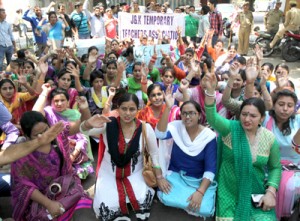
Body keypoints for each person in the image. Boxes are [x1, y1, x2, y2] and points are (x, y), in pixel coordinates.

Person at [203, 71, 281, 220]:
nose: (247, 119)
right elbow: (212, 117)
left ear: (262, 118)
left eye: (253, 116)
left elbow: (275, 167)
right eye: (244, 114)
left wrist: (270, 192)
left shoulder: (269, 138)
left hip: (254, 192)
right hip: (228, 192)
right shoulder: (230, 129)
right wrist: (211, 91)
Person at [80, 93, 163, 220]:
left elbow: (154, 153)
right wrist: (86, 112)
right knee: (107, 205)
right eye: (124, 109)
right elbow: (85, 131)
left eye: (132, 109)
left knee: (141, 200)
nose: (127, 113)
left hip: (135, 173)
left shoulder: (145, 128)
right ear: (117, 108)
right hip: (109, 174)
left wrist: (159, 177)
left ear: (138, 110)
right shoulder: (108, 124)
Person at [11, 111, 92, 221]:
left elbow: (81, 126)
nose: (44, 135)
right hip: (41, 201)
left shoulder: (57, 134)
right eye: (37, 135)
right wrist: (49, 203)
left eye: (45, 130)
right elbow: (24, 187)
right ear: (26, 136)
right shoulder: (21, 156)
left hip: (65, 189)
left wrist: (85, 109)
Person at [155, 96, 217, 216]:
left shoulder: (208, 136)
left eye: (192, 113)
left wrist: (200, 192)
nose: (187, 116)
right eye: (184, 113)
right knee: (165, 196)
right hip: (175, 176)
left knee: (204, 208)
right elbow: (160, 134)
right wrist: (168, 108)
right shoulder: (176, 127)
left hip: (197, 181)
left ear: (199, 115)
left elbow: (210, 169)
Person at [33, 86, 93, 179]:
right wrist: (45, 91)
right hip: (56, 148)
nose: (59, 103)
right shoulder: (49, 111)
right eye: (56, 101)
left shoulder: (75, 114)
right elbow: (35, 113)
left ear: (68, 101)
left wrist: (73, 155)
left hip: (74, 148)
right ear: (51, 102)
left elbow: (83, 137)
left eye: (62, 100)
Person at [262, 89, 300, 219]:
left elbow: (297, 148)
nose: (285, 109)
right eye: (281, 104)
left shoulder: (298, 121)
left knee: (290, 186)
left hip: (293, 166)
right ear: (274, 104)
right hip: (266, 164)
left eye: (290, 106)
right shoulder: (265, 117)